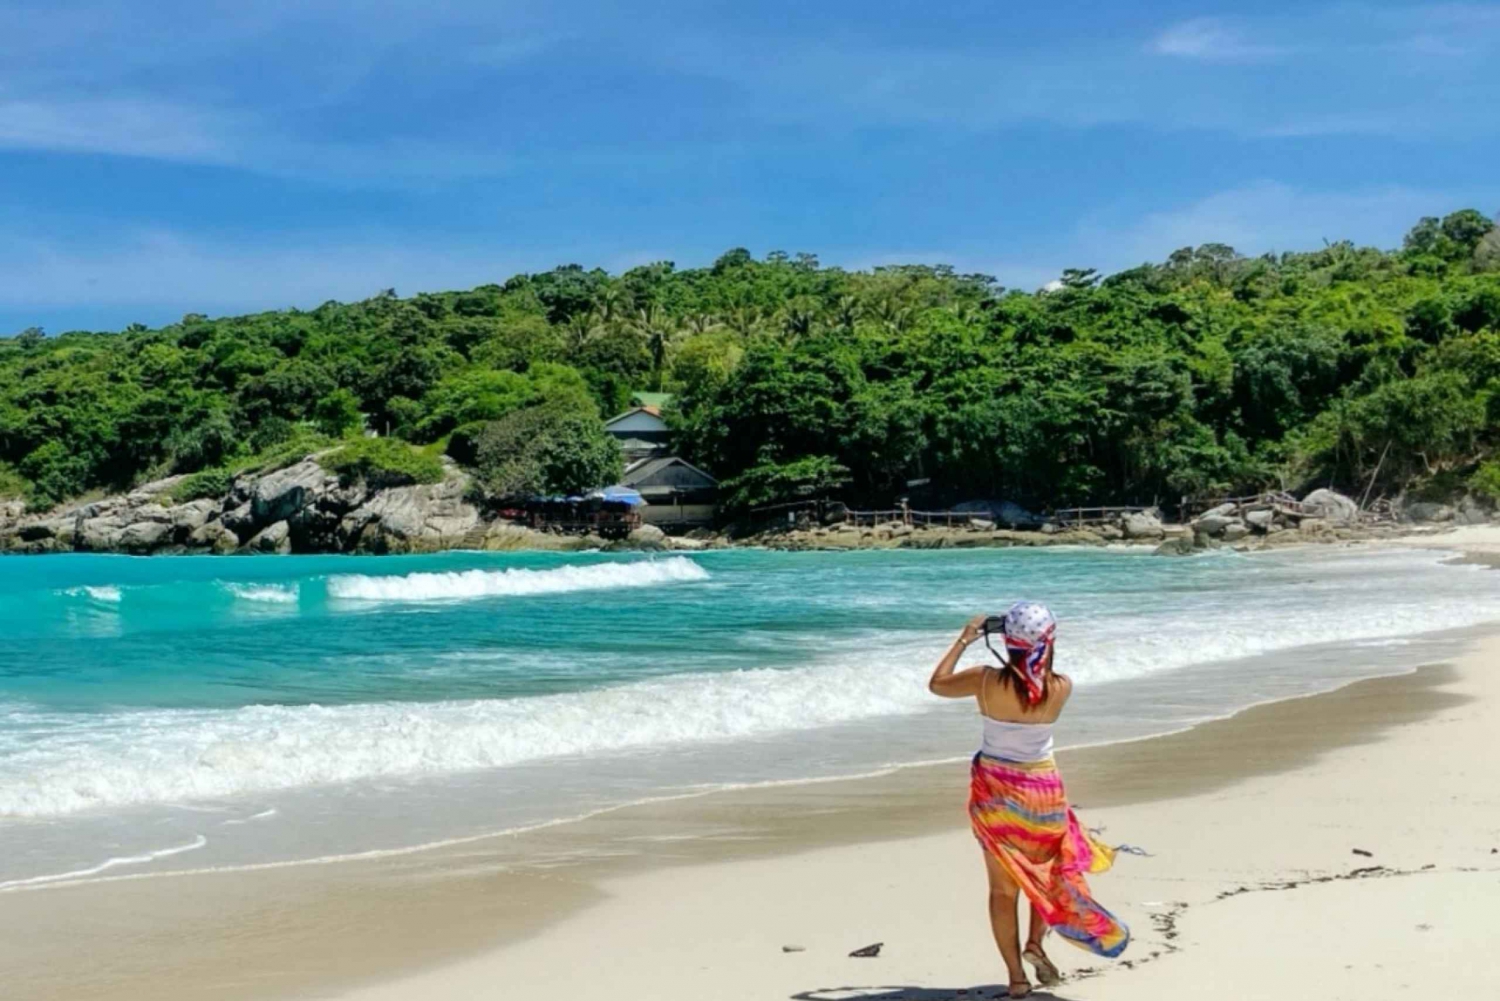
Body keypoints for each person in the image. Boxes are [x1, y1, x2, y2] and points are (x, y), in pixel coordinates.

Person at [928, 601, 1128, 999]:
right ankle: (1036, 943)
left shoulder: (985, 681)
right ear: (1049, 640)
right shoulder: (1061, 686)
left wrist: (966, 638)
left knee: (1004, 891)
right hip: (1044, 793)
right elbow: (1032, 679)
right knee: (1045, 874)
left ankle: (1017, 978)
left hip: (998, 796)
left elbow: (937, 683)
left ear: (1007, 640)